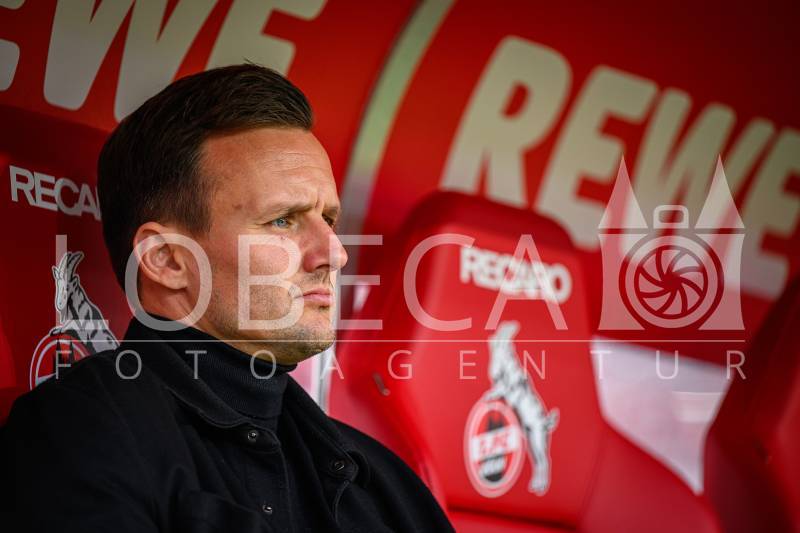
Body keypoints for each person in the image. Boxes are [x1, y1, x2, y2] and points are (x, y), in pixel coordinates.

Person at [0, 64, 453, 532]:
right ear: (167, 260)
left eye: (329, 220)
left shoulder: (384, 483)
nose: (334, 254)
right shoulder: (82, 432)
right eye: (282, 220)